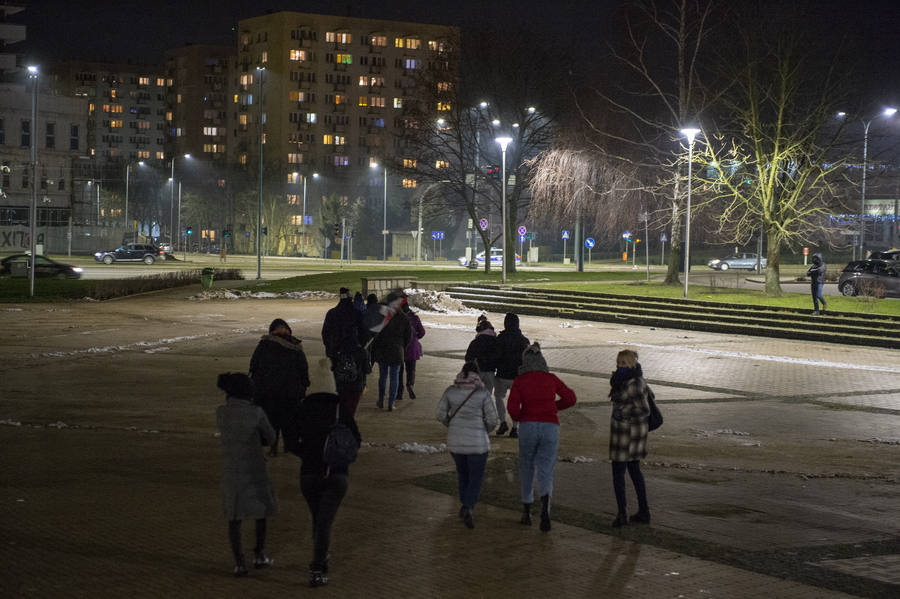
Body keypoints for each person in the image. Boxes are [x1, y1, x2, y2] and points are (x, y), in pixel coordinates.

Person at [507, 342, 577, 532]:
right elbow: (571, 398)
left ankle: (527, 511)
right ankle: (545, 509)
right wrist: (554, 408)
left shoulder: (520, 381)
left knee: (527, 467)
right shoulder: (551, 378)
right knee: (546, 469)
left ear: (525, 362)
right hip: (550, 427)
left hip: (528, 426)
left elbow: (512, 408)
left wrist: (521, 418)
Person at [295, 392, 362, 588]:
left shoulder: (303, 409)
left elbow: (291, 441)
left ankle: (320, 559)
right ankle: (317, 568)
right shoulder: (341, 410)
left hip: (308, 474)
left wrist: (309, 454)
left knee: (318, 519)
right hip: (336, 473)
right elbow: (356, 440)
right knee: (325, 523)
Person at [215, 373, 278, 577]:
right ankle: (259, 554)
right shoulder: (256, 412)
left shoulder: (221, 413)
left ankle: (239, 562)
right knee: (260, 513)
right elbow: (271, 437)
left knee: (234, 517)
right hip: (254, 467)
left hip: (232, 469)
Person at [435, 360, 498, 529]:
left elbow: (440, 414)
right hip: (478, 443)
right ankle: (468, 506)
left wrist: (451, 425)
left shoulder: (450, 391)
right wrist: (485, 429)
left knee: (463, 474)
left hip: (455, 442)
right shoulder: (482, 393)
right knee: (476, 476)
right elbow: (493, 419)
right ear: (477, 375)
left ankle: (465, 503)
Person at [249, 318, 310, 456]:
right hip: (290, 392)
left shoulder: (264, 344)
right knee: (290, 421)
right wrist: (304, 384)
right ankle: (289, 446)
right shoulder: (295, 346)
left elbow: (253, 365)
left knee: (271, 420)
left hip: (268, 391)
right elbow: (303, 368)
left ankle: (273, 447)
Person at [608, 349, 651, 528]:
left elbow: (644, 409)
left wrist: (622, 413)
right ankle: (642, 510)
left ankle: (623, 512)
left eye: (624, 364)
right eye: (618, 363)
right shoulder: (622, 381)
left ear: (633, 364)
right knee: (633, 471)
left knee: (620, 472)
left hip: (628, 435)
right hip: (626, 434)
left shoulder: (634, 383)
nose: (620, 367)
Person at [321, 288, 370, 415]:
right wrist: (361, 347)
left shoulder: (332, 313)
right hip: (355, 355)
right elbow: (365, 333)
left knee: (337, 384)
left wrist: (330, 348)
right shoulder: (357, 313)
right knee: (354, 387)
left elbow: (325, 334)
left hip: (335, 355)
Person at [370, 292, 411, 411]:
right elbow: (409, 336)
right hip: (397, 350)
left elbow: (375, 334)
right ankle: (391, 402)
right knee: (395, 376)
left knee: (383, 375)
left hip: (383, 348)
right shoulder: (404, 317)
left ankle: (381, 399)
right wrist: (402, 347)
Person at [494, 313, 530, 438]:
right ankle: (515, 428)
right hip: (518, 377)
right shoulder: (524, 341)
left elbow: (496, 356)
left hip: (502, 374)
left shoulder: (501, 338)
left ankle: (503, 422)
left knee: (499, 397)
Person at [464, 315, 500, 399]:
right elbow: (499, 356)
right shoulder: (497, 341)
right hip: (490, 372)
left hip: (478, 371)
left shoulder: (476, 341)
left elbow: (468, 357)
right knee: (487, 398)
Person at [396, 301, 425, 401]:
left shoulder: (398, 319)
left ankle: (399, 392)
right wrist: (416, 337)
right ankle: (410, 384)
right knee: (411, 369)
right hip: (412, 347)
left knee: (399, 371)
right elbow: (422, 332)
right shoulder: (415, 318)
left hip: (400, 347)